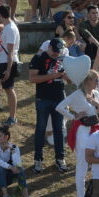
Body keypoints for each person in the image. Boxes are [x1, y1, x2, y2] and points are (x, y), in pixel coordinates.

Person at [55, 70, 99, 197]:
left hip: (95, 131)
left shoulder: (96, 94)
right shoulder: (77, 94)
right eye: (96, 80)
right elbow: (59, 107)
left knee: (96, 164)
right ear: (88, 80)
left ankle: (91, 196)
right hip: (82, 131)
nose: (97, 83)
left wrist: (97, 105)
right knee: (82, 166)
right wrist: (73, 117)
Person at [29, 38, 72, 178]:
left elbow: (71, 80)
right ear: (49, 47)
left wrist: (67, 76)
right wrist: (53, 75)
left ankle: (60, 158)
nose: (55, 54)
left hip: (59, 98)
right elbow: (32, 78)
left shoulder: (64, 58)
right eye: (54, 50)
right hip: (43, 98)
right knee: (41, 129)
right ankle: (38, 160)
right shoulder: (38, 57)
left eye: (58, 51)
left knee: (59, 130)